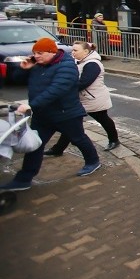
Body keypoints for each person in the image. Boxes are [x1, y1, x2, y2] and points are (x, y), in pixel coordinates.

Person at [0, 38, 103, 191]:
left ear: (52, 52)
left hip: (66, 113)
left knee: (78, 139)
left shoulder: (67, 66)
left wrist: (31, 104)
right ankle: (24, 178)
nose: (36, 56)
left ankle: (93, 161)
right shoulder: (36, 65)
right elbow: (16, 79)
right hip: (43, 116)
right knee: (35, 145)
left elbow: (57, 89)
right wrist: (23, 68)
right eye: (34, 53)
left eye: (40, 53)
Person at [44, 41, 120, 156]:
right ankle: (58, 149)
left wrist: (64, 89)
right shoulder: (79, 62)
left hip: (93, 99)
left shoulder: (92, 64)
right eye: (72, 50)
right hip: (83, 99)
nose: (73, 53)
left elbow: (84, 82)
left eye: (75, 50)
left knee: (102, 119)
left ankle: (114, 140)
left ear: (85, 51)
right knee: (72, 123)